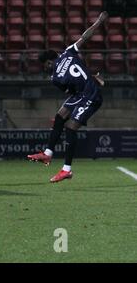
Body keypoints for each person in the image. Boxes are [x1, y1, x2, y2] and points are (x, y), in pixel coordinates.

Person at [27, 11, 108, 183]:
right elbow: (85, 36)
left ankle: (66, 169)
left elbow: (70, 89)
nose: (46, 69)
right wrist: (99, 21)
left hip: (91, 96)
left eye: (45, 66)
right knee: (60, 116)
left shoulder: (55, 78)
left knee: (70, 127)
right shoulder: (68, 51)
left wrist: (93, 80)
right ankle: (47, 154)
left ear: (49, 62)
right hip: (83, 93)